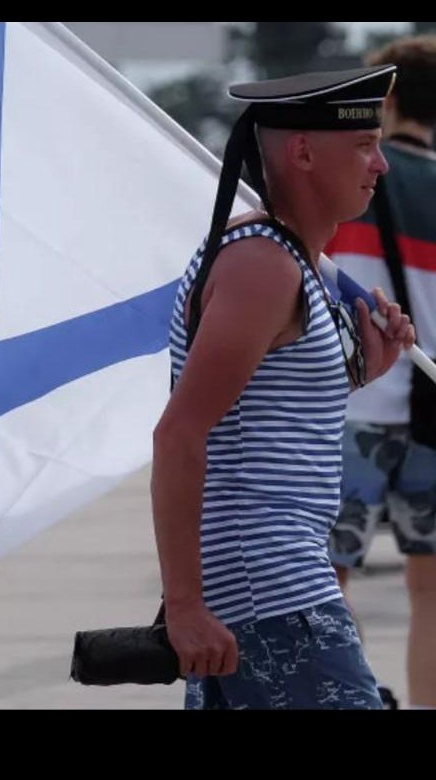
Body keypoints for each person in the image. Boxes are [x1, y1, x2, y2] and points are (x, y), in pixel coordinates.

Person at [151, 64, 416, 710]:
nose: (379, 165)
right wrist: (183, 605)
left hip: (268, 590)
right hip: (273, 594)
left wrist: (363, 371)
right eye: (363, 145)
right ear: (302, 152)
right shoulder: (263, 266)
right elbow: (179, 434)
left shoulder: (287, 260)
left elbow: (264, 415)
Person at [327, 36, 436, 710]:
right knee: (429, 591)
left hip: (356, 408)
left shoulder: (355, 182)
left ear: (388, 100)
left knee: (324, 579)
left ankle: (351, 700)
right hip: (433, 415)